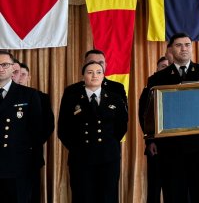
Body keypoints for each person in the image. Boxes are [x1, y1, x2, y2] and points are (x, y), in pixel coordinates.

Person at [145, 32, 199, 203]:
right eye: (179, 45)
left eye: (187, 45)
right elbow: (149, 112)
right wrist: (151, 139)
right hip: (170, 146)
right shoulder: (158, 78)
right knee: (174, 194)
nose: (184, 48)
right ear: (170, 50)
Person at [58, 60, 128, 203]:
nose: (94, 75)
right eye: (90, 72)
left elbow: (121, 126)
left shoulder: (115, 98)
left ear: (103, 76)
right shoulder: (72, 98)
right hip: (81, 158)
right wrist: (77, 148)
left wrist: (108, 144)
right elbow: (63, 129)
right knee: (83, 197)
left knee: (108, 197)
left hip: (108, 158)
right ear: (83, 76)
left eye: (98, 72)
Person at [0, 51, 43, 203]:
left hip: (18, 165)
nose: (1, 68)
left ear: (13, 68)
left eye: (5, 64)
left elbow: (36, 131)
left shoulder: (29, 95)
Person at [17, 62, 54, 203]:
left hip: (32, 154)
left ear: (29, 77)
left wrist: (32, 144)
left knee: (32, 193)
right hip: (8, 156)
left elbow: (48, 125)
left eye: (23, 74)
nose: (20, 77)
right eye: (16, 74)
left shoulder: (41, 97)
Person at [138, 54, 171, 203]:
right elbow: (143, 118)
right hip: (155, 145)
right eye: (162, 67)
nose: (166, 69)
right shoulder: (148, 90)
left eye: (168, 67)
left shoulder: (177, 88)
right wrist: (150, 141)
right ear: (156, 70)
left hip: (176, 147)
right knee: (154, 187)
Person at [63, 49, 127, 101]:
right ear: (84, 65)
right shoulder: (71, 91)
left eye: (100, 63)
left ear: (105, 65)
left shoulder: (117, 88)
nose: (96, 65)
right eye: (92, 62)